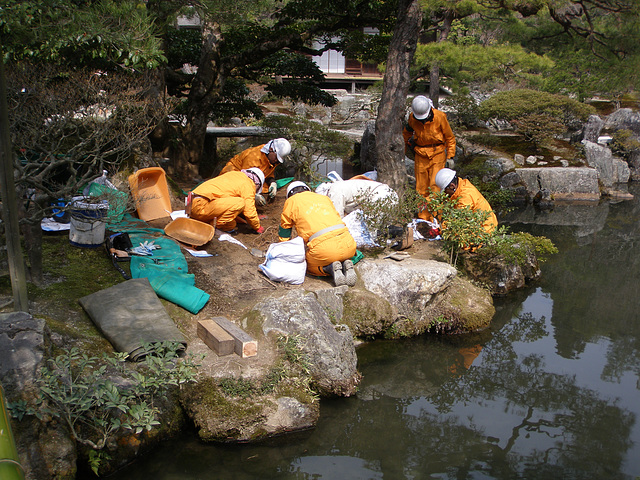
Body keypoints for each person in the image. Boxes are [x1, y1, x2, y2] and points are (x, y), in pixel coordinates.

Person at [279, 181, 357, 287]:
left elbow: (285, 229)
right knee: (340, 252)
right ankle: (345, 264)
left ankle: (329, 269)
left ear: (289, 195)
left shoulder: (291, 201)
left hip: (324, 249)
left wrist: (284, 249)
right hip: (348, 244)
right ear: (307, 189)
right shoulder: (323, 198)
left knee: (307, 265)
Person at [403, 95, 456, 220]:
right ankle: (423, 218)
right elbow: (406, 134)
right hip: (420, 154)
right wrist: (402, 151)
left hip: (437, 154)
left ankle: (436, 218)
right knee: (421, 189)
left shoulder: (440, 117)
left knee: (435, 187)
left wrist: (450, 156)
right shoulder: (412, 118)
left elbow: (450, 138)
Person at [188, 167, 266, 234]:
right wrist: (257, 227)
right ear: (257, 184)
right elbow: (249, 210)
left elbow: (227, 206)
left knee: (231, 224)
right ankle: (213, 226)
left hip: (192, 204)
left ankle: (208, 222)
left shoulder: (234, 175)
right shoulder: (248, 184)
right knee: (240, 203)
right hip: (201, 206)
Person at [218, 138, 291, 206]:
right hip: (233, 175)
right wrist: (253, 195)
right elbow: (244, 180)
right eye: (276, 157)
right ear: (271, 149)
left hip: (248, 179)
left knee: (265, 188)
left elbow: (268, 174)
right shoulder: (253, 157)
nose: (276, 160)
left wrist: (272, 183)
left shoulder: (271, 160)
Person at [434, 168, 498, 234]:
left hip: (485, 230)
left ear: (452, 186)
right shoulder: (460, 187)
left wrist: (440, 230)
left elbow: (458, 218)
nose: (445, 193)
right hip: (477, 224)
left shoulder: (466, 195)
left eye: (445, 190)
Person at [315, 178, 398, 217]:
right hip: (389, 194)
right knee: (381, 227)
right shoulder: (340, 186)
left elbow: (337, 216)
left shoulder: (334, 191)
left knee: (372, 230)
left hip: (380, 196)